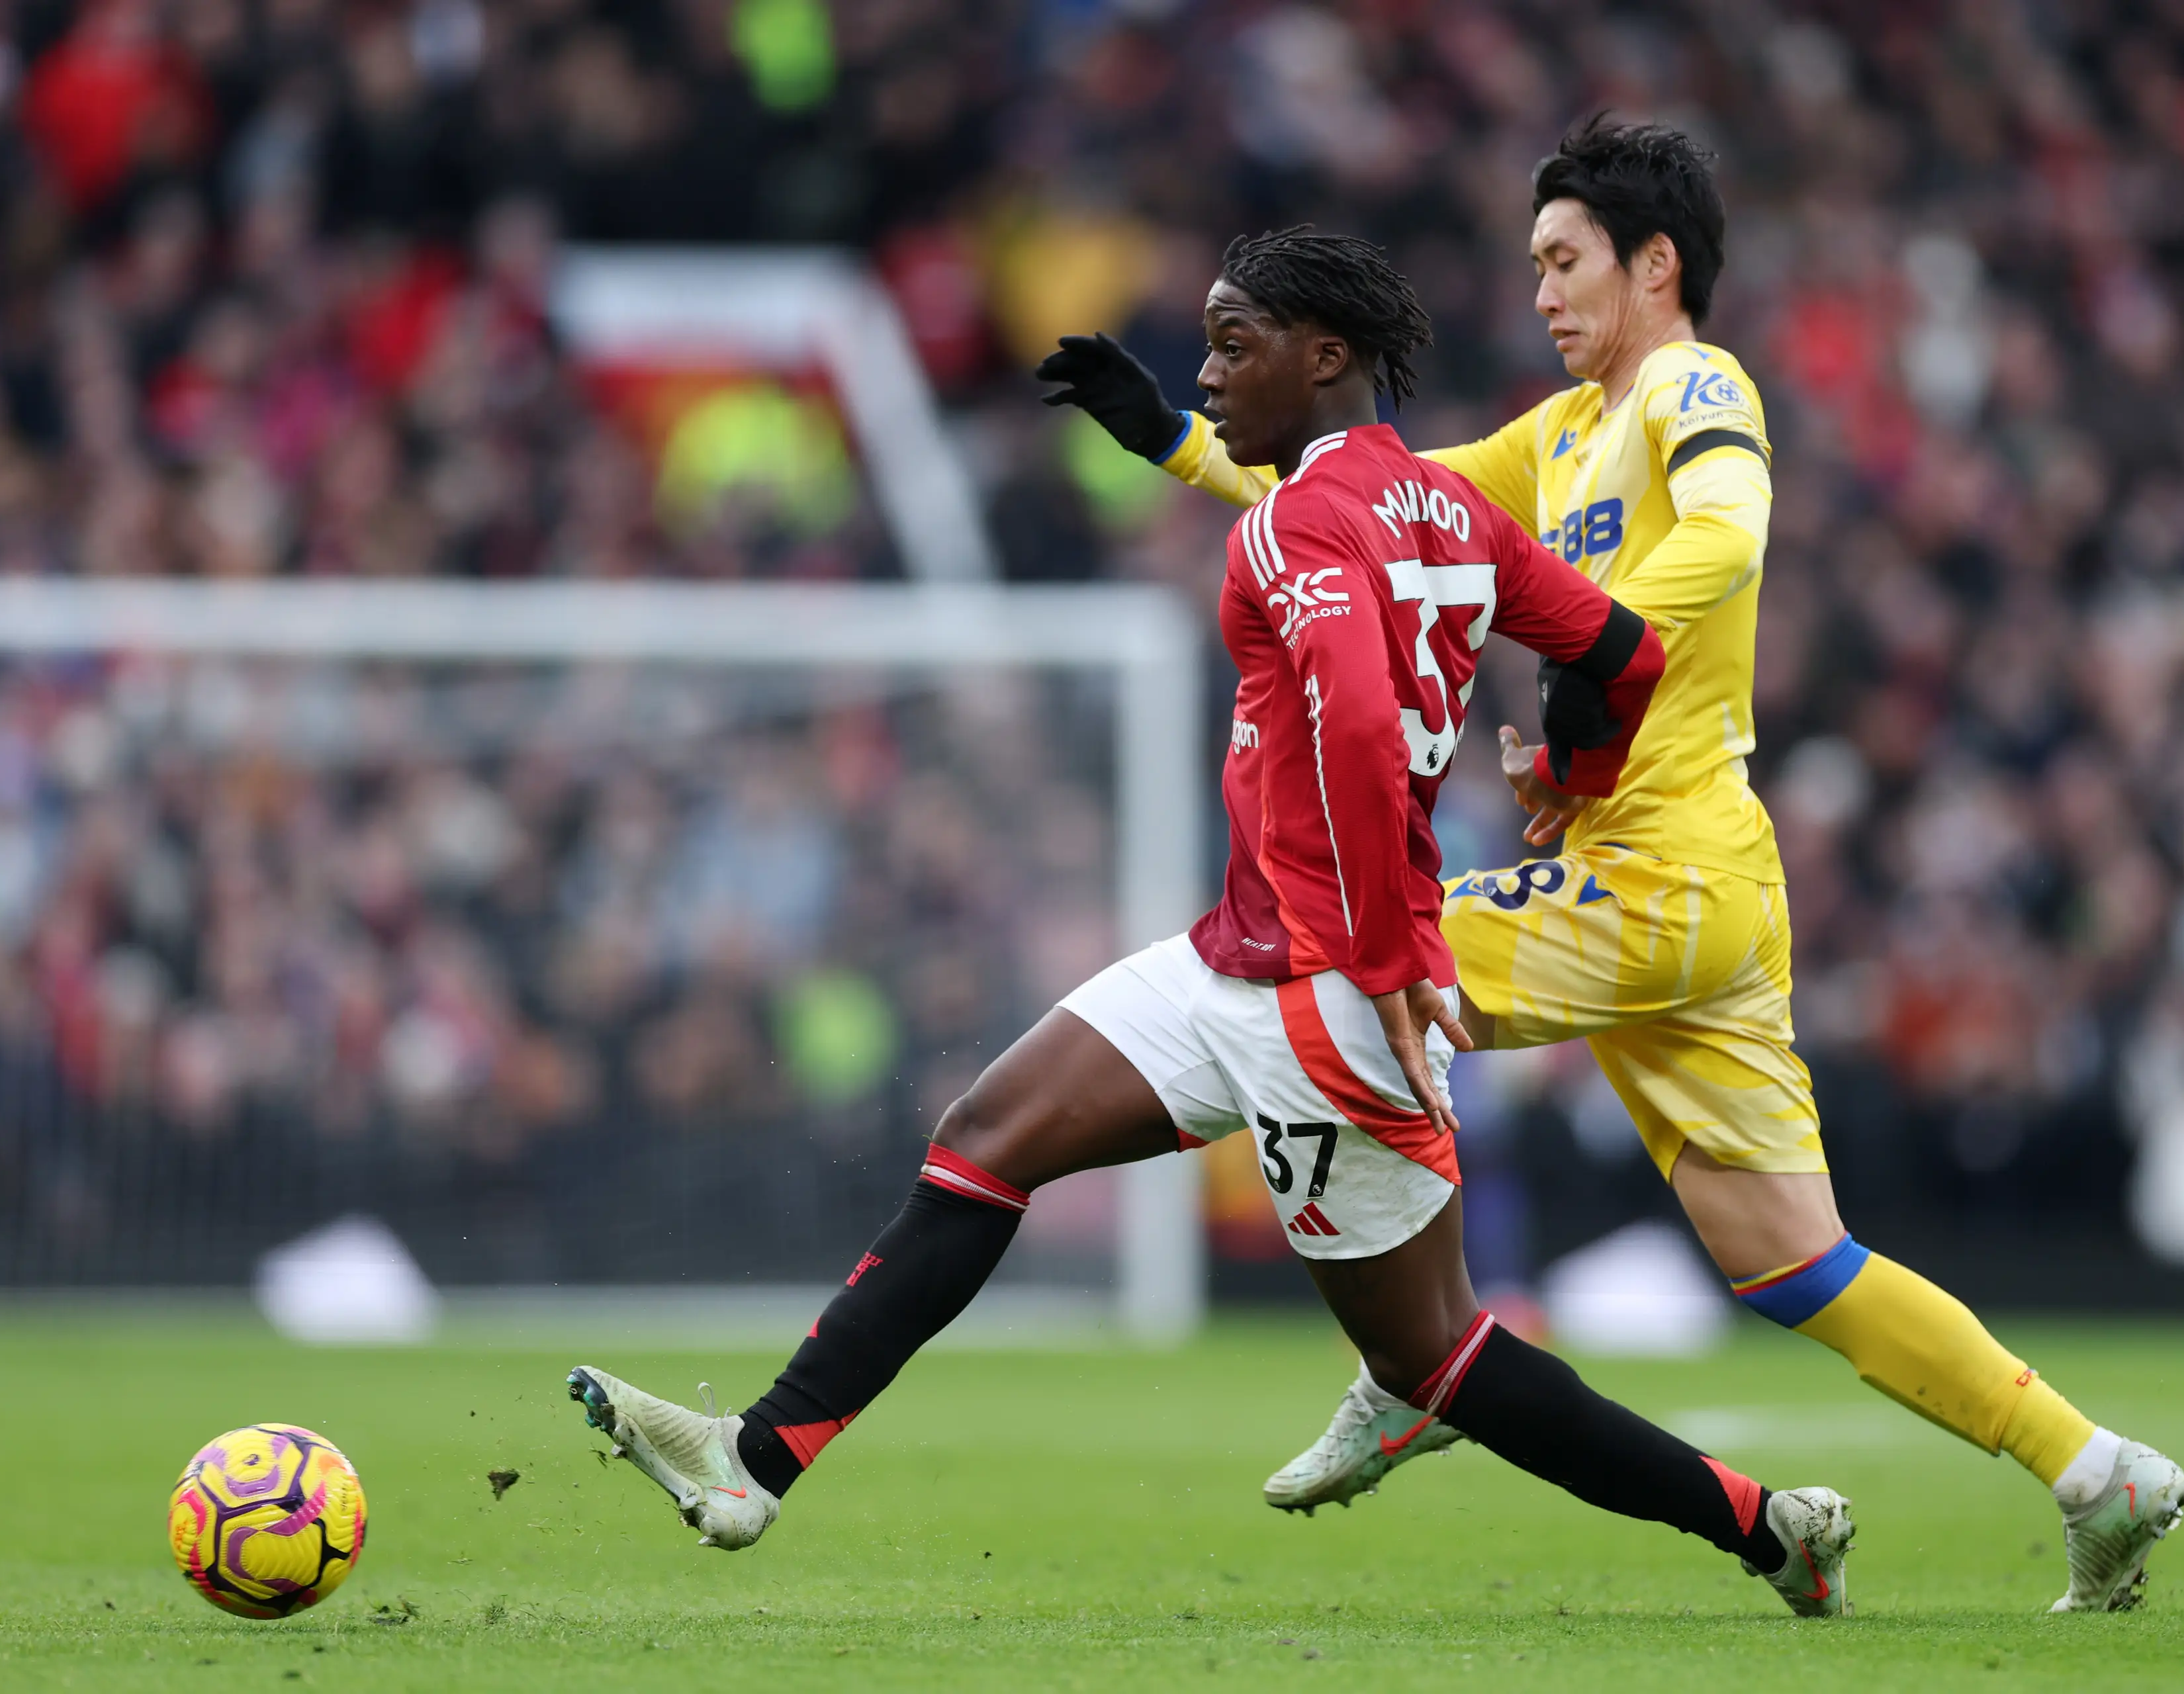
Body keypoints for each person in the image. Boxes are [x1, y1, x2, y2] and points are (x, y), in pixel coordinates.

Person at [569, 228, 1860, 1616]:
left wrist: (1389, 954)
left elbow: (1362, 720)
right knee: (986, 1139)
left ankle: (1762, 1522)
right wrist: (1575, 766)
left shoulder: (1292, 524)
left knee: (1436, 1359)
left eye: (1236, 344)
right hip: (1232, 955)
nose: (1210, 368)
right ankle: (756, 1458)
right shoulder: (1453, 512)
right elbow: (1622, 647)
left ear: (1326, 356)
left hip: (1324, 994)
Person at [1038, 118, 2184, 1615]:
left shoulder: (1692, 387)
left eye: (1565, 259)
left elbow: (1731, 527)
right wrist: (1178, 443)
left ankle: (1406, 1369)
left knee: (1343, 962)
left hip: (1667, 868)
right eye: (1531, 266)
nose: (1541, 291)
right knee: (1790, 1256)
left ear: (1656, 263)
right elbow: (1361, 513)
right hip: (1683, 881)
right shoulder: (1560, 433)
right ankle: (2096, 1468)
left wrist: (1602, 657)